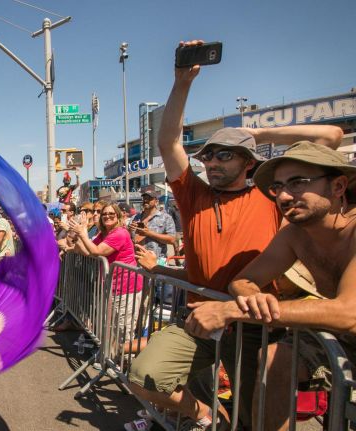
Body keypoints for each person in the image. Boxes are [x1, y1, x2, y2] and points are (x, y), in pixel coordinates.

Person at [125, 39, 344, 430]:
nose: (212, 161)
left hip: (255, 325)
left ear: (248, 162)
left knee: (253, 415)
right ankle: (206, 415)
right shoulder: (193, 194)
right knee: (147, 374)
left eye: (224, 154)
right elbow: (167, 142)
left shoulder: (271, 192)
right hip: (198, 313)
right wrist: (182, 82)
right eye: (208, 154)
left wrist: (256, 135)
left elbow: (329, 136)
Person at [186, 142, 354, 430]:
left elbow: (349, 312)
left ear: (338, 186)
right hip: (341, 342)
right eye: (278, 187)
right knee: (275, 356)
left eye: (298, 183)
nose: (285, 196)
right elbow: (242, 280)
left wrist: (233, 311)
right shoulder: (294, 235)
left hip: (345, 328)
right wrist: (253, 299)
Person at [70, 202, 143, 342]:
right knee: (109, 326)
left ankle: (124, 361)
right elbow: (87, 252)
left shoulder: (120, 233)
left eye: (111, 214)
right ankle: (110, 358)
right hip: (111, 286)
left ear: (118, 216)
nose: (107, 216)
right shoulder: (104, 234)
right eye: (104, 214)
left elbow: (97, 251)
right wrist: (79, 234)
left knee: (123, 328)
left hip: (126, 287)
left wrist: (82, 233)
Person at [129, 188, 176, 264]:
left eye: (149, 199)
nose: (145, 200)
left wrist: (149, 233)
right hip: (136, 261)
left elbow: (172, 239)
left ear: (156, 202)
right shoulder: (135, 217)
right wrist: (129, 230)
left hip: (157, 262)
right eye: (144, 198)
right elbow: (128, 238)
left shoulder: (166, 218)